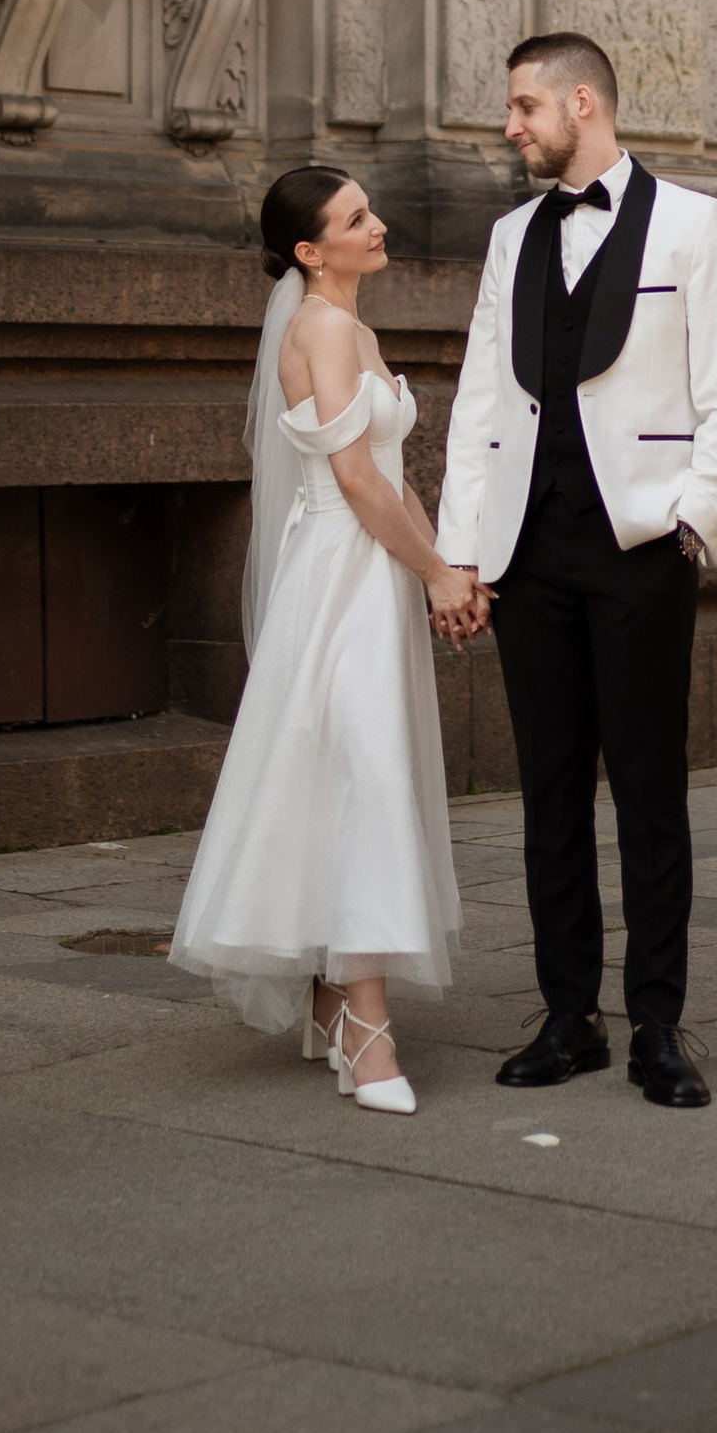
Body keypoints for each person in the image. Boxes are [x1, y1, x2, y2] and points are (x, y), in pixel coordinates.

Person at [436, 35, 717, 1110]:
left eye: (525, 106)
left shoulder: (691, 222)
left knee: (649, 791)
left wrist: (691, 517)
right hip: (530, 552)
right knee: (548, 794)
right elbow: (481, 399)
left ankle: (658, 1024)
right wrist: (463, 550)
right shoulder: (510, 235)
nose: (511, 126)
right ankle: (567, 1014)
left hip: (639, 548)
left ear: (584, 102)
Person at [169, 168, 488, 1111]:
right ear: (310, 251)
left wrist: (448, 564)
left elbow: (390, 471)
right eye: (356, 219)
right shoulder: (320, 326)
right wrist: (432, 572)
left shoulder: (351, 326)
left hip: (373, 568)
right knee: (365, 779)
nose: (378, 223)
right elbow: (353, 480)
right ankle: (365, 1022)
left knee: (348, 771)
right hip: (342, 578)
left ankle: (328, 995)